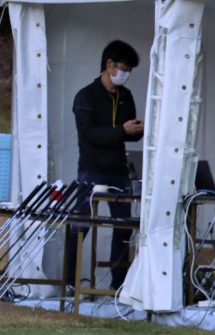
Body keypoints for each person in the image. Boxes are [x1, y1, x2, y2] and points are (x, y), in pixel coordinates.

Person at [65, 40, 144, 293]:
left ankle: (118, 284)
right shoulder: (85, 96)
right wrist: (121, 130)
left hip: (119, 170)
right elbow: (88, 133)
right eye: (124, 68)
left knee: (123, 227)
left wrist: (138, 130)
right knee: (80, 226)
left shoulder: (125, 96)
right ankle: (70, 282)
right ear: (109, 65)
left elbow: (129, 134)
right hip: (91, 169)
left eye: (129, 70)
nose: (126, 74)